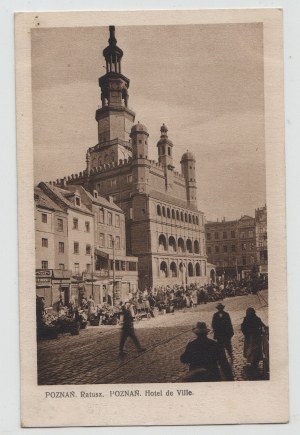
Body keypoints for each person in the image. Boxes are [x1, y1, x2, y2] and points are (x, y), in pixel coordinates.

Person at [241, 307, 266, 371]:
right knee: (252, 350)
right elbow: (243, 327)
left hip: (254, 338)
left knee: (253, 350)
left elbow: (261, 324)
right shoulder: (251, 319)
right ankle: (253, 362)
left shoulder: (252, 319)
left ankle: (254, 362)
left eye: (248, 313)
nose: (248, 314)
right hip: (252, 337)